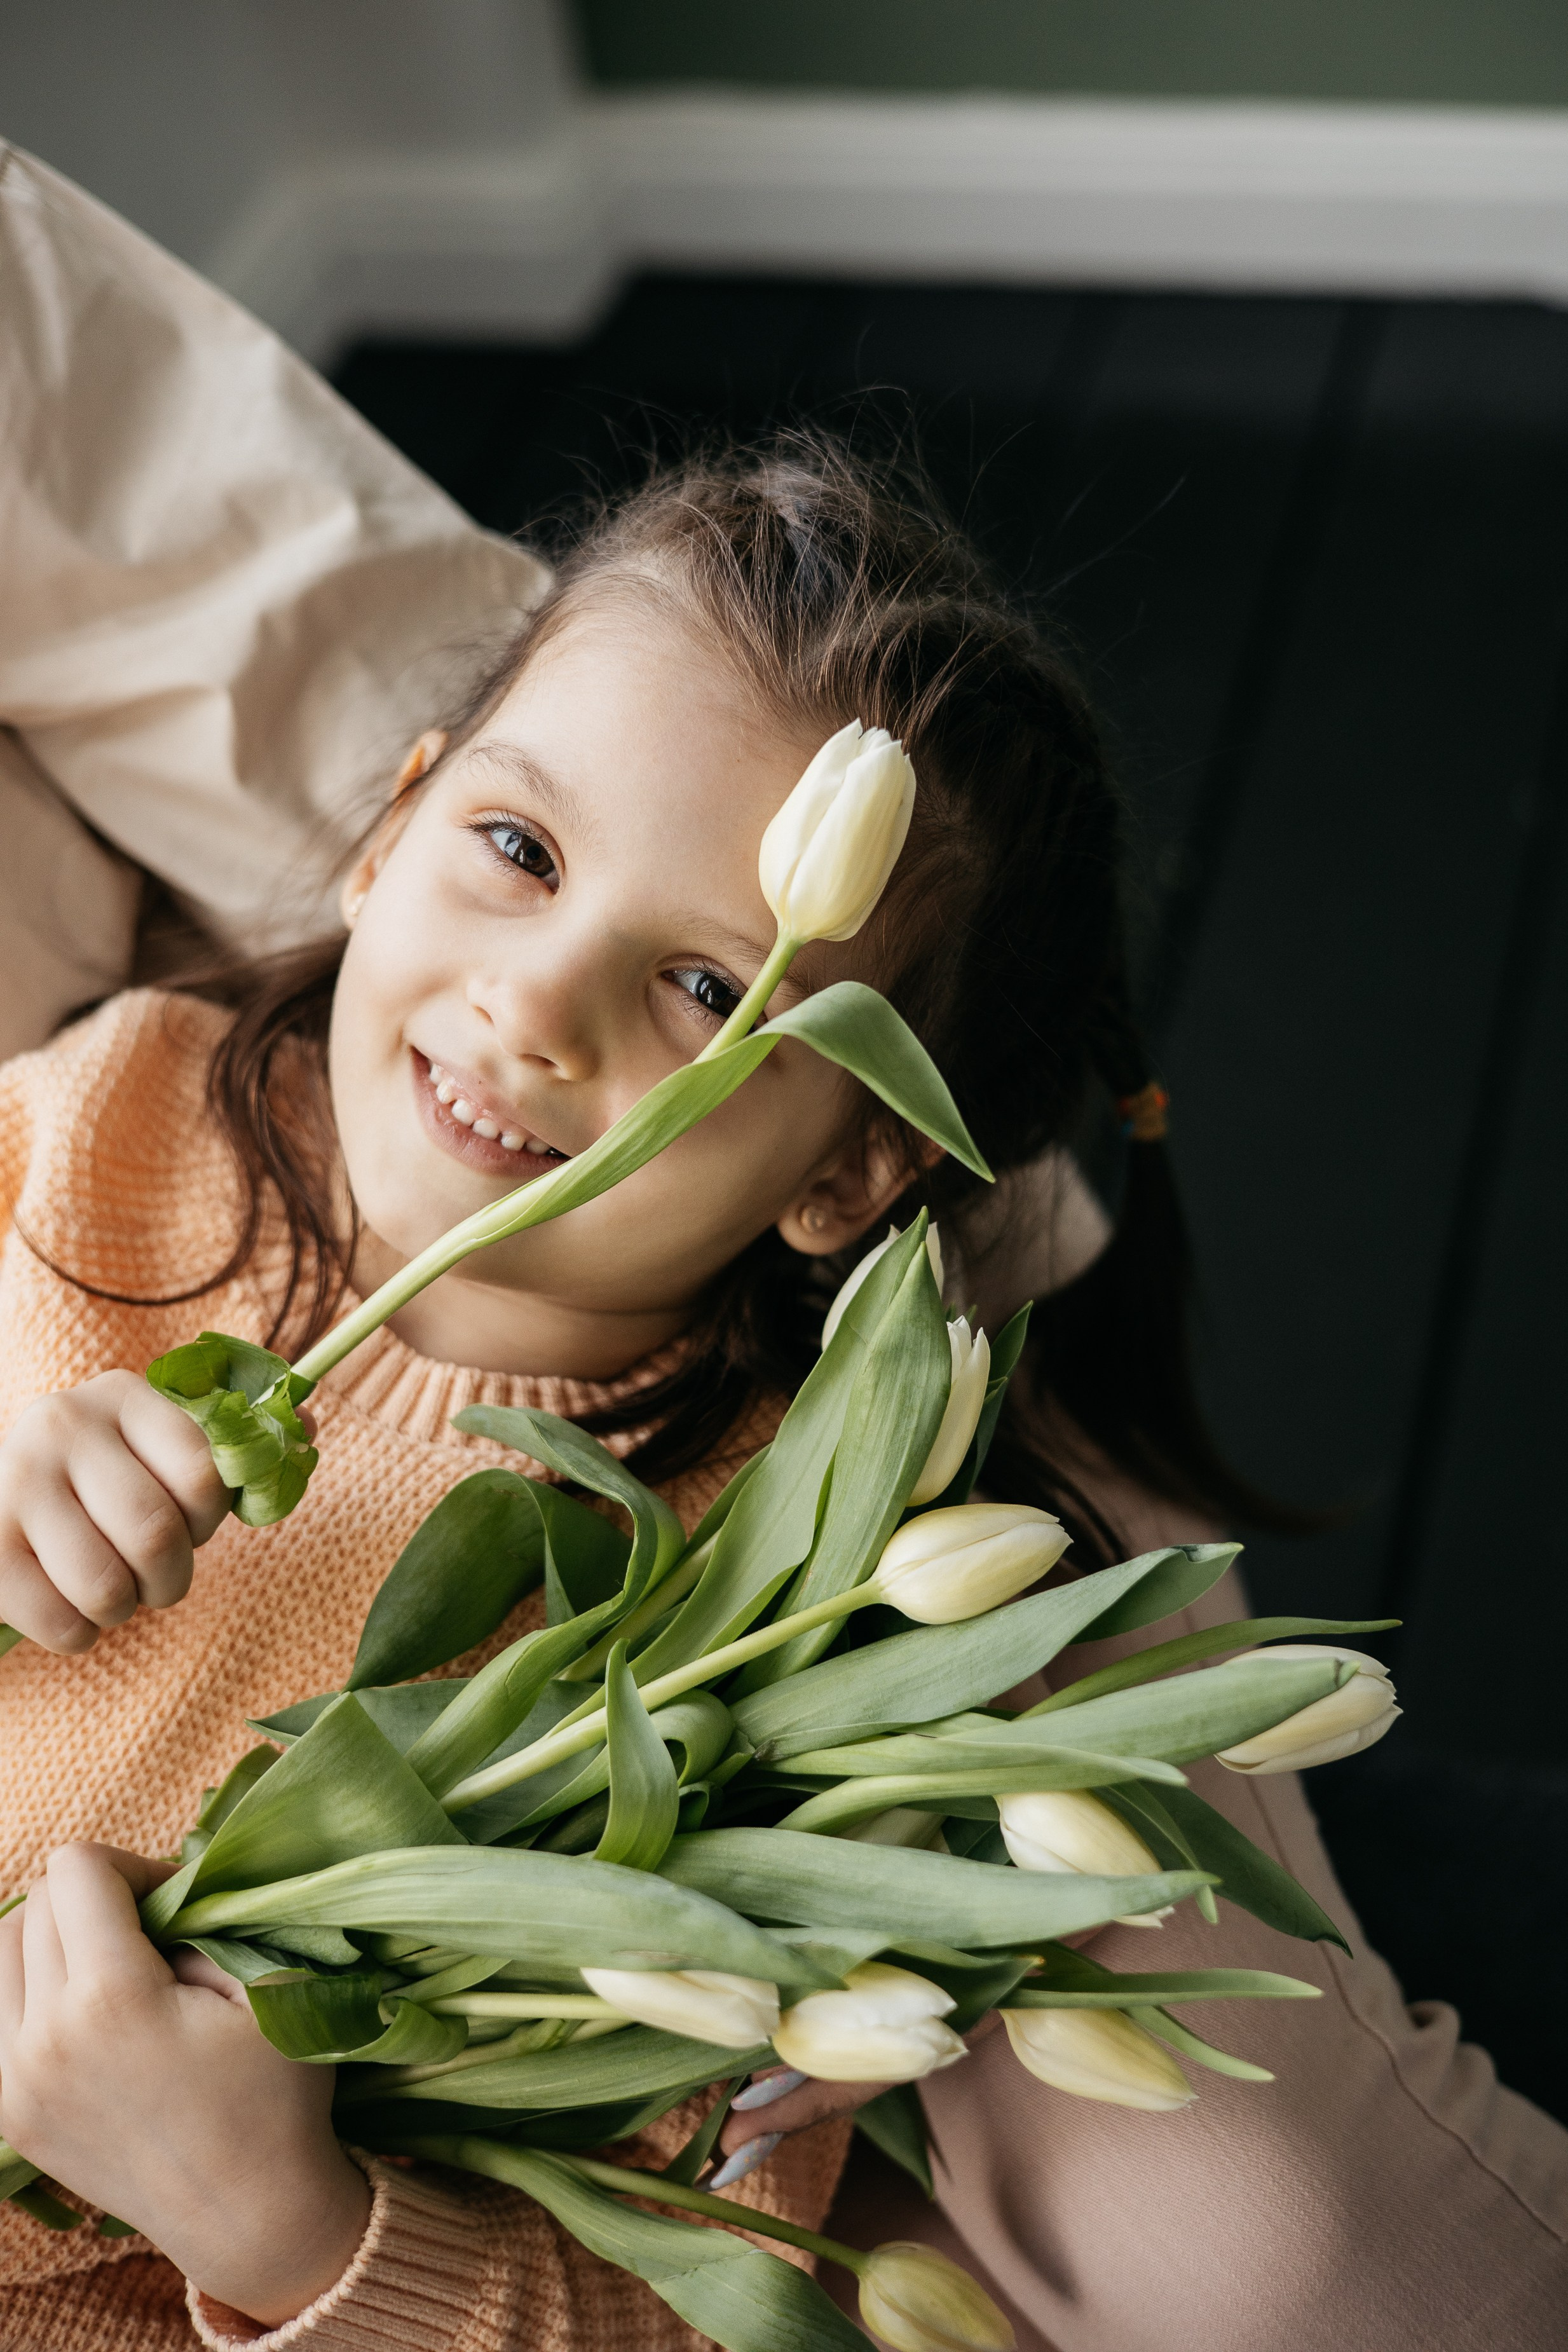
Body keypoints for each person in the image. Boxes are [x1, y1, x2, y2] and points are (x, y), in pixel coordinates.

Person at [0, 437, 1561, 2352]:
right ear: (388, 828)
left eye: (703, 990)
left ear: (845, 1172)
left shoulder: (749, 1632)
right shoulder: (105, 1119)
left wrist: (287, 2224)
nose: (534, 1005)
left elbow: (656, 2297)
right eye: (517, 851)